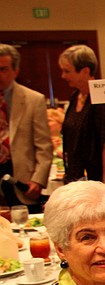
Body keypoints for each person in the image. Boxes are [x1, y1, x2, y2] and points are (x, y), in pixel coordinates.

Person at [58, 45, 105, 184]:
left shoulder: (101, 98)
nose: (63, 76)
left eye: (67, 71)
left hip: (96, 178)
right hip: (77, 176)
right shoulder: (75, 96)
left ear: (85, 71)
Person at [0, 44, 52, 211]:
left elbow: (44, 146)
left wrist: (38, 180)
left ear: (15, 71)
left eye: (3, 69)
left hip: (21, 181)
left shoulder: (33, 100)